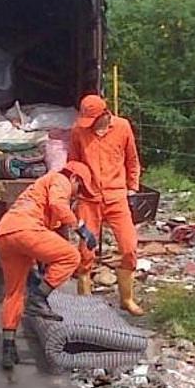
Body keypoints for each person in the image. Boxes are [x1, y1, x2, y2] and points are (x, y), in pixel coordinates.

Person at [0, 160, 97, 370]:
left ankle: (8, 347)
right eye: (80, 188)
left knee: (14, 292)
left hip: (4, 234)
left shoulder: (40, 187)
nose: (78, 194)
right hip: (25, 229)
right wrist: (81, 229)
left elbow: (46, 226)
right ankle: (37, 300)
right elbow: (58, 206)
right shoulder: (60, 179)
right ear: (74, 178)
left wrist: (41, 266)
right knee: (70, 256)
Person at [68, 95, 144, 316]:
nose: (89, 124)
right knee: (85, 250)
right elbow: (73, 163)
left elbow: (132, 159)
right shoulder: (78, 132)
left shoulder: (122, 127)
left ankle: (127, 299)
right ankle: (84, 303)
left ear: (105, 114)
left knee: (129, 247)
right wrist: (73, 190)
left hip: (117, 197)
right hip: (88, 199)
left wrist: (133, 187)